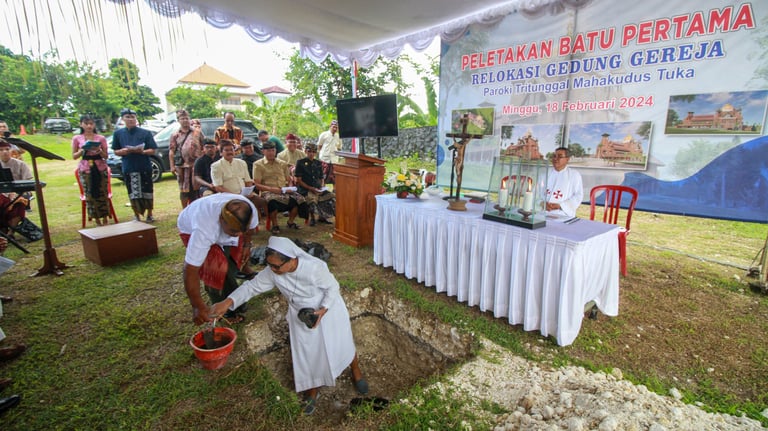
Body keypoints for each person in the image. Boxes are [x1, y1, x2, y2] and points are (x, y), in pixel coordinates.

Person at [210, 236, 368, 415]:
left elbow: (333, 288)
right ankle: (312, 391)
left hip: (329, 310)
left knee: (342, 342)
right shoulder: (273, 272)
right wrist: (228, 302)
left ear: (292, 259)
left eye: (277, 266)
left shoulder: (315, 267)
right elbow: (251, 287)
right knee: (309, 354)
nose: (273, 269)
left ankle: (356, 372)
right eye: (270, 265)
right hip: (301, 316)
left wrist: (323, 310)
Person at [177, 194, 258, 325]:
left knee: (232, 264)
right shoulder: (204, 229)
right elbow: (190, 270)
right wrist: (197, 306)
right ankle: (223, 309)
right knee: (216, 270)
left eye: (240, 231)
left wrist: (246, 244)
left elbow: (250, 230)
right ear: (221, 219)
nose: (237, 235)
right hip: (190, 228)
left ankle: (234, 302)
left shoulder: (249, 209)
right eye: (233, 231)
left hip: (218, 225)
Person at [111, 108, 158, 222]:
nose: (130, 119)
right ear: (123, 119)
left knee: (147, 190)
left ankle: (149, 214)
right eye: (127, 117)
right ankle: (136, 214)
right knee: (132, 191)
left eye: (132, 117)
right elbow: (116, 150)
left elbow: (153, 150)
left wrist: (142, 151)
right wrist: (123, 151)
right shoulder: (118, 134)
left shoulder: (145, 133)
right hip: (129, 165)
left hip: (143, 165)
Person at [252, 140, 308, 233]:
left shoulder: (282, 163)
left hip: (284, 190)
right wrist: (272, 189)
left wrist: (289, 187)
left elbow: (289, 180)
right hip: (268, 191)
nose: (271, 153)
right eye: (268, 150)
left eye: (273, 150)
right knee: (272, 201)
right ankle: (275, 225)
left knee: (300, 199)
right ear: (263, 151)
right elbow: (257, 184)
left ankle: (290, 222)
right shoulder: (258, 164)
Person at [72, 115, 110, 226]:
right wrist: (82, 150)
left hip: (99, 167)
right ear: (81, 124)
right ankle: (96, 218)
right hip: (86, 168)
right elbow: (74, 156)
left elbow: (106, 155)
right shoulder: (77, 138)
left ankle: (105, 217)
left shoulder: (100, 138)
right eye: (86, 123)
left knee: (102, 192)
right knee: (90, 194)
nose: (89, 126)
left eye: (91, 123)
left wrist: (99, 151)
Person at [168, 109, 204, 208]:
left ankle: (196, 208)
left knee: (196, 189)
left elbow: (203, 145)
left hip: (196, 166)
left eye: (186, 118)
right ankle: (185, 210)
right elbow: (171, 151)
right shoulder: (175, 135)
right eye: (182, 118)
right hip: (182, 167)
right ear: (179, 120)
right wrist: (172, 166)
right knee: (184, 190)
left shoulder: (197, 132)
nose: (185, 120)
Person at [295, 143, 335, 226]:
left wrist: (322, 186)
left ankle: (323, 217)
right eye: (309, 151)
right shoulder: (300, 163)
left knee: (331, 196)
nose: (311, 154)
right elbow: (299, 180)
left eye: (313, 152)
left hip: (317, 188)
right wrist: (310, 188)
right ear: (305, 151)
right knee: (311, 199)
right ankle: (312, 218)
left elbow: (321, 177)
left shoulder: (318, 163)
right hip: (305, 189)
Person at [0, 139, 33, 235]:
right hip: (2, 194)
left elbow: (27, 182)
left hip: (18, 193)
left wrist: (16, 193)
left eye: (7, 149)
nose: (5, 152)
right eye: (1, 150)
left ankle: (11, 231)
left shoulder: (20, 164)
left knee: (20, 203)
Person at [545, 146, 583, 218]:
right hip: (543, 213)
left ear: (567, 159)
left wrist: (561, 206)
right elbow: (536, 194)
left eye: (559, 156)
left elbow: (578, 195)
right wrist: (542, 204)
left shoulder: (574, 175)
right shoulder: (544, 174)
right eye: (554, 156)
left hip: (563, 214)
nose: (555, 159)